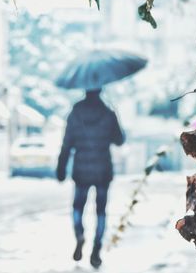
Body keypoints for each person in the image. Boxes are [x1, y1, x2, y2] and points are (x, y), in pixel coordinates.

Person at [56, 89, 125, 268]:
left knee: (78, 207)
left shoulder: (75, 112)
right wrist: (115, 115)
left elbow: (67, 143)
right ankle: (96, 250)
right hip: (103, 170)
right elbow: (119, 140)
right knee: (100, 211)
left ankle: (79, 235)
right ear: (100, 90)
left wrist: (61, 167)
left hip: (81, 170)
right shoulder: (108, 112)